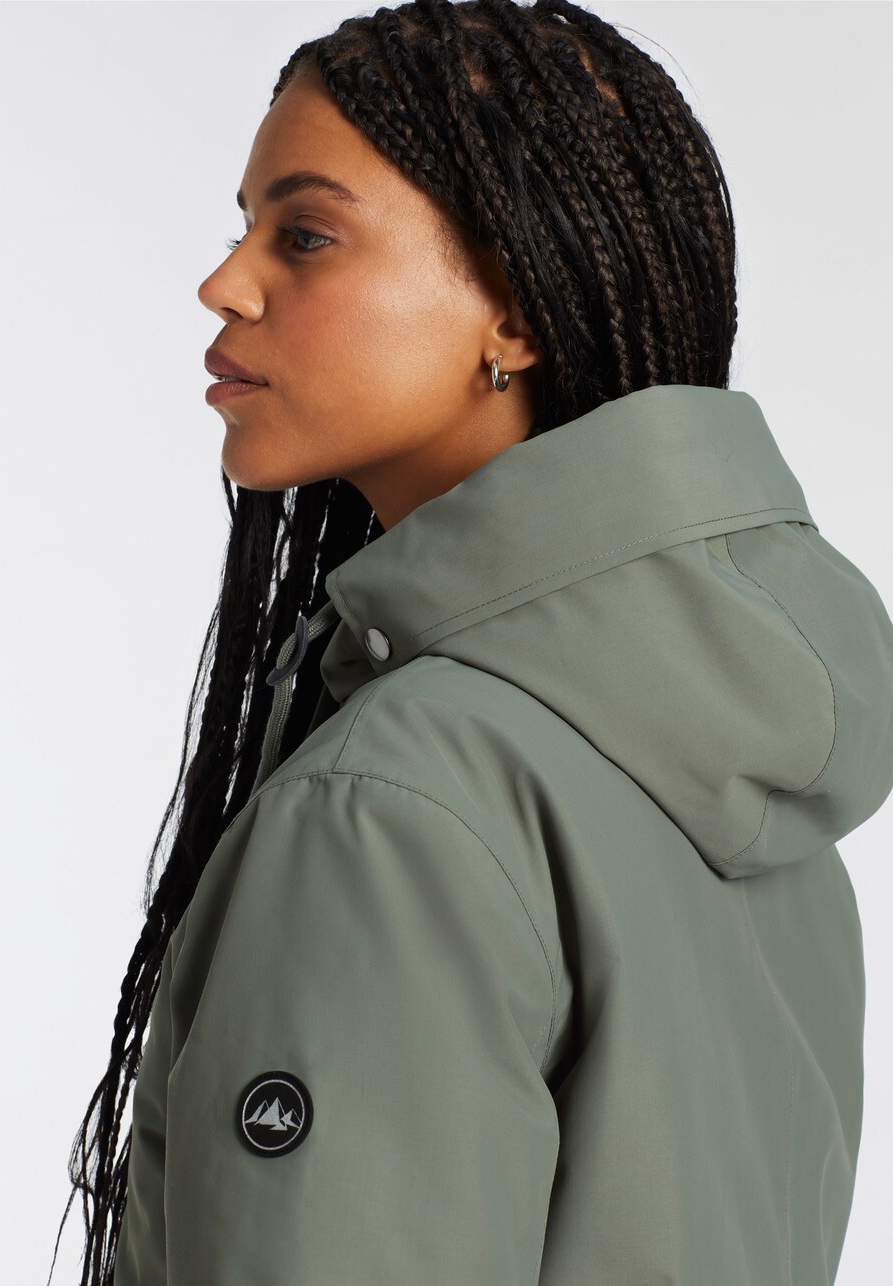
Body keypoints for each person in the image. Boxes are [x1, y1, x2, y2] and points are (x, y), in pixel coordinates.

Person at [49, 2, 893, 1284]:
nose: (226, 282)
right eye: (242, 227)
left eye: (305, 234)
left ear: (516, 311)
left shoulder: (394, 805)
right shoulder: (747, 792)